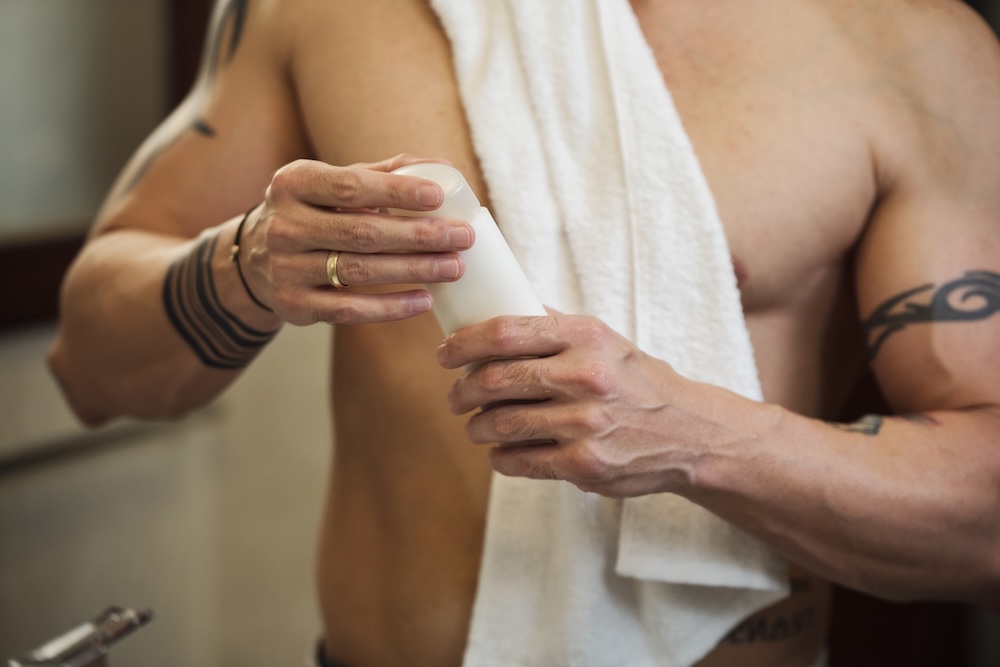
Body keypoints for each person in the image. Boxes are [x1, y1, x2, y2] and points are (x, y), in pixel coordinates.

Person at [48, 0, 1000, 665]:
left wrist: (699, 438)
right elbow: (88, 369)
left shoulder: (908, 47)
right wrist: (243, 265)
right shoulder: (324, 10)